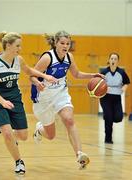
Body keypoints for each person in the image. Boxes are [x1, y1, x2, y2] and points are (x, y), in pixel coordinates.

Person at [30, 30, 104, 169]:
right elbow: (32, 75)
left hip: (60, 94)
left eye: (68, 43)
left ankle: (80, 154)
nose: (65, 46)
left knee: (69, 120)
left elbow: (76, 74)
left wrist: (93, 75)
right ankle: (39, 129)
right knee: (51, 136)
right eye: (62, 43)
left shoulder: (69, 57)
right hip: (43, 100)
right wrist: (38, 82)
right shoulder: (47, 58)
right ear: (56, 43)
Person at [0, 31, 57, 174]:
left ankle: (13, 138)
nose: (20, 48)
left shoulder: (18, 60)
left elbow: (29, 70)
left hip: (15, 100)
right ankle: (19, 162)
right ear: (8, 45)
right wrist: (2, 101)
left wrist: (45, 76)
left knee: (23, 136)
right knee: (6, 133)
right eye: (17, 46)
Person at [100, 53, 130, 144]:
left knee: (118, 117)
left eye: (115, 59)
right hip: (105, 98)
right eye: (112, 58)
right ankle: (108, 139)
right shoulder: (104, 72)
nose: (113, 60)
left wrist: (124, 88)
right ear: (109, 60)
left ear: (118, 61)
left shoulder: (121, 72)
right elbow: (98, 83)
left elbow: (127, 82)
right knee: (109, 118)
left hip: (117, 98)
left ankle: (108, 116)